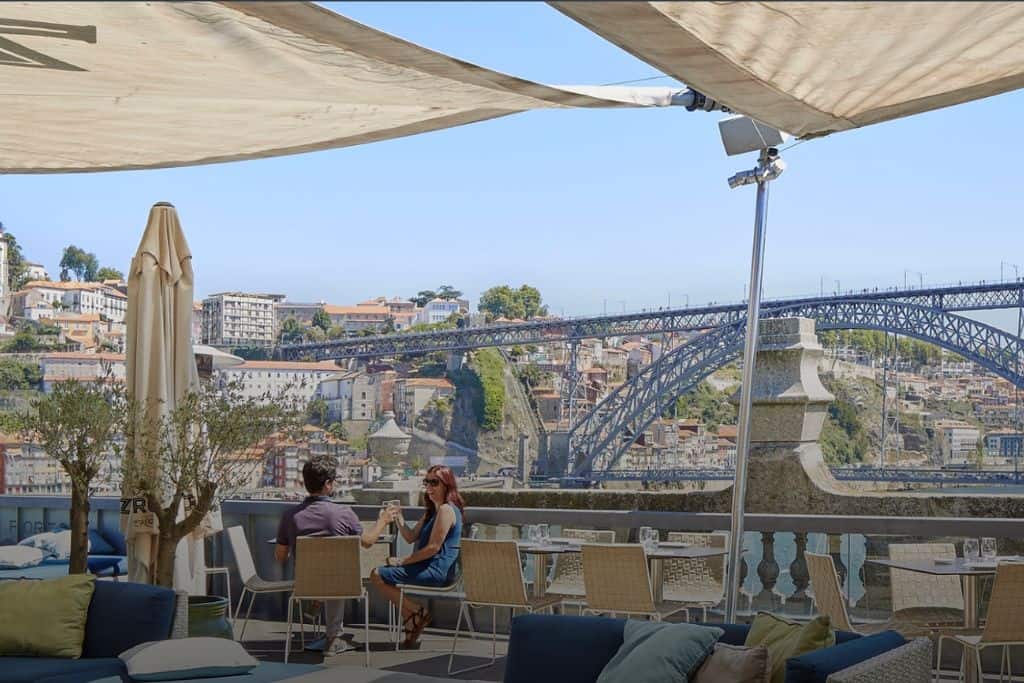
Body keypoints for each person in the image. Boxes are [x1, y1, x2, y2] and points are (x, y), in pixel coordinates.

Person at [276, 454, 393, 656]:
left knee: (324, 573)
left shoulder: (290, 516)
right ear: (328, 484)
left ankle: (321, 612)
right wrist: (383, 520)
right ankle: (333, 637)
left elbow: (280, 557)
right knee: (336, 572)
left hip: (306, 584)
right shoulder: (343, 513)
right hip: (342, 584)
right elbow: (367, 542)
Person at [370, 465, 464, 648]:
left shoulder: (446, 510)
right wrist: (398, 517)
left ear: (447, 485)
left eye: (434, 482)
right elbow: (410, 536)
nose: (429, 486)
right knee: (380, 574)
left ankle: (417, 612)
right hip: (427, 567)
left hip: (437, 571)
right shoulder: (432, 512)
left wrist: (401, 561)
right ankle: (412, 619)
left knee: (377, 574)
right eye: (426, 482)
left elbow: (433, 548)